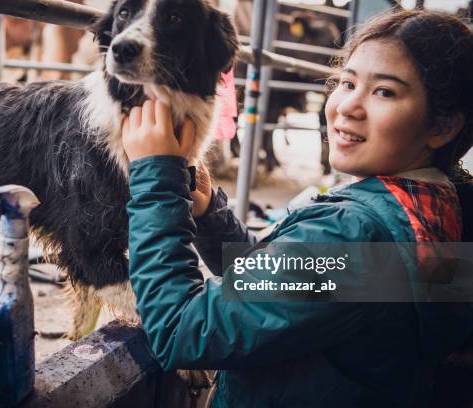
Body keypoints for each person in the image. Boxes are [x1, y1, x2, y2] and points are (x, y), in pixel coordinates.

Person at [121, 9, 473, 408]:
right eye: (347, 82)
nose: (347, 107)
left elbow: (181, 331)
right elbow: (291, 290)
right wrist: (209, 216)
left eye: (384, 92)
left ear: (442, 126)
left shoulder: (353, 235)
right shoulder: (439, 206)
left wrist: (156, 179)